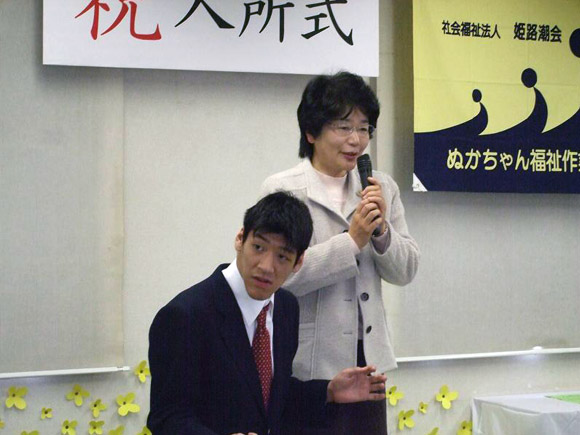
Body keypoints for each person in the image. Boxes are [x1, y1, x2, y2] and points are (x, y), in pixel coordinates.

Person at [147, 191, 387, 435]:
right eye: (258, 247)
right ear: (240, 239)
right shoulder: (184, 316)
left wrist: (328, 391)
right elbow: (167, 418)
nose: (266, 266)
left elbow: (269, 396)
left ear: (298, 262)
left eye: (282, 256)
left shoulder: (286, 307)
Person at [260, 72, 420, 434]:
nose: (356, 140)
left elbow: (406, 270)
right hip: (309, 367)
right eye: (344, 127)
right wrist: (351, 241)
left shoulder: (381, 187)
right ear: (311, 132)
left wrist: (380, 231)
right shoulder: (283, 190)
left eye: (364, 129)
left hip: (369, 361)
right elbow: (277, 279)